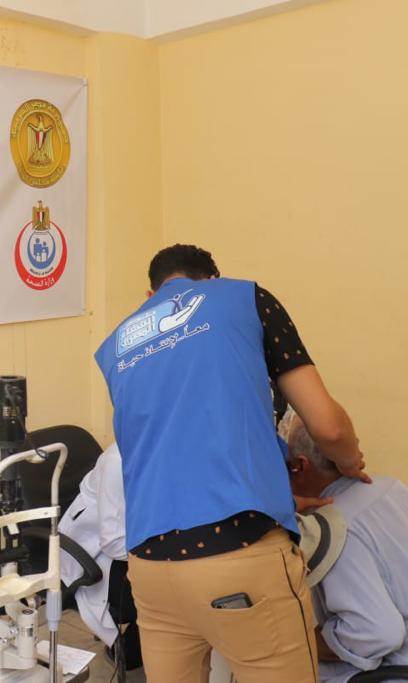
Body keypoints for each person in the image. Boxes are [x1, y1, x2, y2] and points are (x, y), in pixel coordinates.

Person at [94, 244, 369, 682]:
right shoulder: (244, 298)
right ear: (212, 280)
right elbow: (329, 428)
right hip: (237, 553)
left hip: (149, 568)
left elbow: (175, 446)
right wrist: (350, 461)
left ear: (151, 295)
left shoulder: (116, 346)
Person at [282, 411, 408, 681]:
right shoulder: (391, 488)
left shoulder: (333, 525)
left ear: (300, 466)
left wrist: (307, 643)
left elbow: (376, 632)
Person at [57, 443, 142, 669]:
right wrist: (160, 554)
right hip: (94, 552)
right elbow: (113, 542)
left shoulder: (164, 453)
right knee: (162, 593)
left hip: (130, 539)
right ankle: (130, 651)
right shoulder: (117, 461)